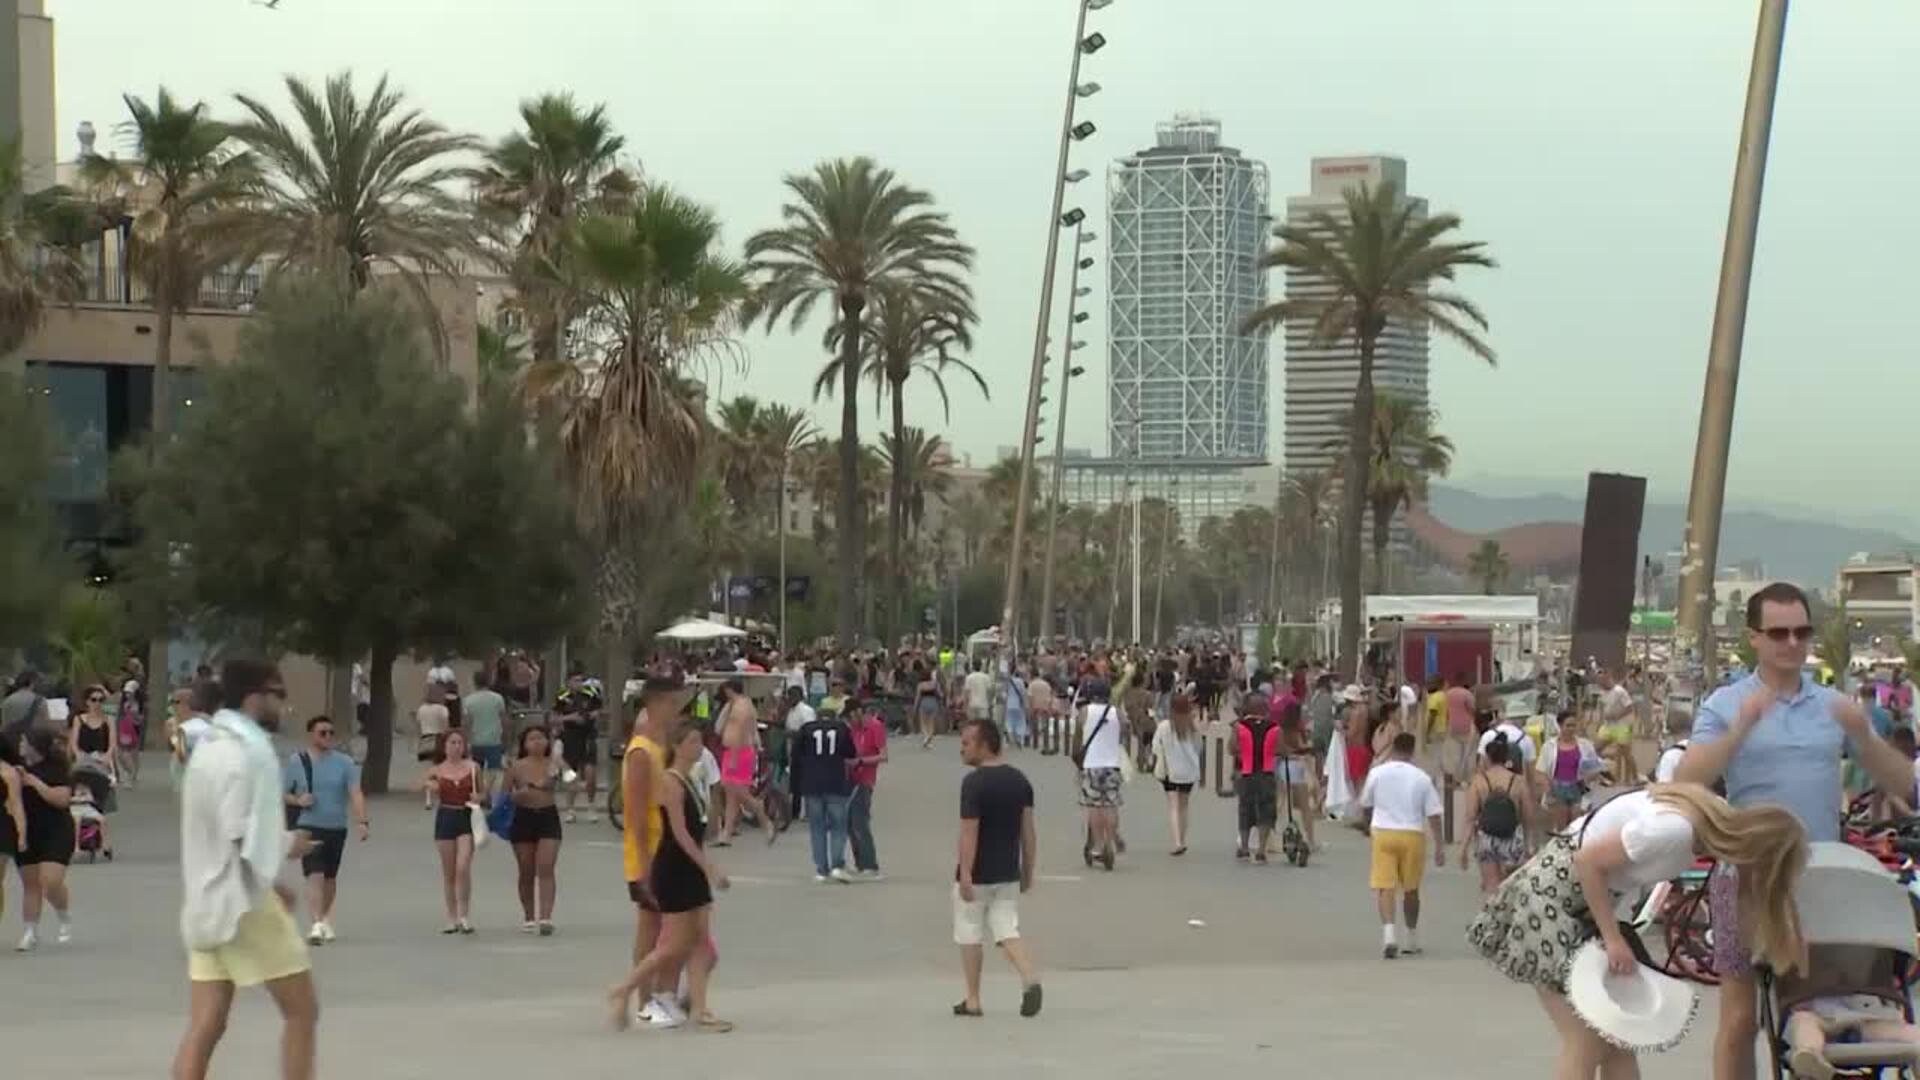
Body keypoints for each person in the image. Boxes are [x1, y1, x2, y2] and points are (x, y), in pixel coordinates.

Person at [1677, 582, 1916, 1080]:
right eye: (1779, 632)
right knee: (1741, 1019)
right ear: (1755, 639)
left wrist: (1864, 738)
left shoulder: (1833, 705)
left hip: (1822, 876)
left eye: (1801, 632)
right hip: (1744, 875)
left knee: (1825, 1007)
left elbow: (1903, 785)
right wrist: (1741, 728)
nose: (1792, 643)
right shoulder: (1725, 703)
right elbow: (1686, 778)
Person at [1469, 783, 1808, 1080]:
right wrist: (1613, 939)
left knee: (1619, 1038)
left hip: (1572, 902)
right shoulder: (1676, 832)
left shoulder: (1713, 815)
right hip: (1547, 902)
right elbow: (1588, 862)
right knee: (1585, 1041)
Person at [172, 658, 320, 1080]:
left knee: (207, 1024)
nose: (284, 707)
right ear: (255, 696)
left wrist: (275, 880)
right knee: (302, 1012)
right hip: (242, 903)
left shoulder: (210, 748)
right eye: (280, 695)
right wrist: (290, 845)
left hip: (204, 901)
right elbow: (239, 831)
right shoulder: (245, 754)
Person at [607, 714, 732, 1033]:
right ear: (676, 746)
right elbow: (679, 834)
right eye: (692, 741)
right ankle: (624, 989)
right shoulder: (670, 782)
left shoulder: (691, 778)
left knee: (702, 941)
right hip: (676, 867)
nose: (698, 746)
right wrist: (709, 867)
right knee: (675, 945)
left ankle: (701, 1009)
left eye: (699, 741)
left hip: (690, 866)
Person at [953, 718, 1042, 1018]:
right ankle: (1029, 976)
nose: (962, 749)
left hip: (978, 873)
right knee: (1007, 929)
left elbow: (969, 832)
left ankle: (973, 998)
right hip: (1007, 872)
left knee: (969, 933)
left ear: (984, 744)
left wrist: (965, 873)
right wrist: (1028, 868)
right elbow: (1028, 831)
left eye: (967, 743)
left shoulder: (973, 784)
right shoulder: (1020, 781)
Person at [621, 674, 691, 1029]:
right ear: (654, 704)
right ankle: (644, 1001)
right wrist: (646, 868)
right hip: (647, 855)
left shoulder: (660, 747)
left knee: (671, 930)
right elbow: (633, 816)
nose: (676, 711)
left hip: (668, 850)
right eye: (671, 704)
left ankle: (665, 994)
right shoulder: (640, 752)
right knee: (651, 930)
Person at [1358, 733, 1443, 959]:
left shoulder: (1377, 772)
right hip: (1412, 833)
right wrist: (1440, 845)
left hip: (1383, 832)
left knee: (1385, 886)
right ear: (1412, 751)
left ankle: (1389, 935)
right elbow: (1434, 814)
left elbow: (1365, 803)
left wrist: (1368, 826)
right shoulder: (1421, 777)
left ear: (1393, 748)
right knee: (1411, 888)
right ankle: (1411, 938)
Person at [283, 716, 367, 945]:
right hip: (308, 825)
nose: (328, 737)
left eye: (331, 733)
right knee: (314, 874)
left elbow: (355, 792)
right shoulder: (296, 761)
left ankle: (324, 918)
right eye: (322, 733)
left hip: (336, 826)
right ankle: (316, 923)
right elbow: (283, 792)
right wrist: (299, 800)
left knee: (330, 877)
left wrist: (362, 821)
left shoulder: (345, 763)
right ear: (311, 735)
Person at [12, 726, 74, 949]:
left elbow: (62, 800)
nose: (20, 745)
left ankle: (63, 914)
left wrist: (34, 782)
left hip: (56, 830)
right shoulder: (16, 769)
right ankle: (30, 933)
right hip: (27, 831)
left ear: (35, 746)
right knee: (31, 884)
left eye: (24, 741)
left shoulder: (56, 768)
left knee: (50, 881)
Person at [792, 693, 857, 883]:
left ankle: (821, 869)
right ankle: (837, 865)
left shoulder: (806, 729)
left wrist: (797, 783)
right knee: (838, 826)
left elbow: (796, 756)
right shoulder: (842, 728)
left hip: (812, 783)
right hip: (835, 782)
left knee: (817, 827)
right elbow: (850, 752)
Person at [1460, 732, 1534, 895]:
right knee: (1511, 887)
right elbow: (1528, 816)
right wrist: (1529, 844)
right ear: (1507, 757)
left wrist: (1464, 848)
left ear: (1487, 757)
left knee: (1491, 885)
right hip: (1512, 838)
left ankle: (1493, 916)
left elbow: (1470, 817)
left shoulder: (1479, 781)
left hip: (1487, 838)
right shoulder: (1518, 781)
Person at [421, 729, 480, 934]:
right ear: (444, 746)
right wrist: (429, 786)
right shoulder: (436, 770)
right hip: (446, 817)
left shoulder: (473, 768)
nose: (456, 747)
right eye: (452, 743)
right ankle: (451, 916)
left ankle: (464, 915)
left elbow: (484, 794)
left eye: (459, 743)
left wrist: (479, 797)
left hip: (466, 816)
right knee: (449, 871)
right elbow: (424, 789)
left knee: (462, 866)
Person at [506, 725, 563, 935]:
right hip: (523, 817)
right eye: (532, 739)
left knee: (546, 866)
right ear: (524, 744)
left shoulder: (553, 763)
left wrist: (560, 772)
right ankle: (529, 916)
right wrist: (518, 794)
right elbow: (504, 795)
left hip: (548, 816)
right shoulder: (516, 766)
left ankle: (546, 917)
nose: (537, 742)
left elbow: (573, 779)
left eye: (541, 738)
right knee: (526, 869)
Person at [715, 680, 774, 846]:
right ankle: (726, 833)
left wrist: (734, 756)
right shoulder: (741, 704)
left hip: (738, 752)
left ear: (729, 690)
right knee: (731, 795)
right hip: (739, 751)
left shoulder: (740, 707)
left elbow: (739, 731)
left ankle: (761, 813)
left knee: (735, 789)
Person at [1073, 679, 1124, 871]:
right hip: (1112, 764)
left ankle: (1098, 844)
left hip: (1092, 763)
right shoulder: (1117, 713)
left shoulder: (1084, 712)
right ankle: (1110, 840)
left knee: (1093, 805)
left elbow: (1078, 737)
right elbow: (1123, 733)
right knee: (1110, 804)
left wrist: (1077, 760)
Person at [67, 684, 118, 860]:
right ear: (87, 702)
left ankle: (104, 839)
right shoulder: (79, 720)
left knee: (103, 789)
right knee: (77, 778)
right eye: (93, 700)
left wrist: (107, 757)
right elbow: (74, 742)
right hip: (83, 759)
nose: (97, 703)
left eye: (100, 700)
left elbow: (112, 744)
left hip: (101, 760)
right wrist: (78, 755)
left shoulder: (108, 720)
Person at [1151, 693, 1203, 856]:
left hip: (1170, 771)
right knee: (1184, 806)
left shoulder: (1164, 726)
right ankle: (1183, 838)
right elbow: (1199, 748)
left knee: (1173, 806)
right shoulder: (1192, 727)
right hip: (1188, 771)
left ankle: (1177, 842)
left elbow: (1155, 747)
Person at [1231, 693, 1279, 863]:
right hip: (1266, 774)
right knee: (1266, 810)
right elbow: (1279, 749)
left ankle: (1244, 849)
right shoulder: (1274, 727)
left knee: (1245, 809)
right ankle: (1261, 851)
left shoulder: (1239, 727)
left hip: (1247, 773)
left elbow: (1232, 748)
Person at [847, 696, 889, 881]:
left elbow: (883, 755)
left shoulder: (874, 727)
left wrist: (861, 761)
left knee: (860, 821)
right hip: (850, 778)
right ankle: (860, 862)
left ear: (859, 712)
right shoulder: (852, 729)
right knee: (849, 823)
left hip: (864, 779)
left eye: (851, 716)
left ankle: (870, 864)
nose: (850, 720)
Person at [553, 672, 603, 824]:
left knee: (590, 774)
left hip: (588, 736)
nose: (579, 683)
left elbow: (600, 710)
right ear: (569, 682)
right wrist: (570, 718)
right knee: (571, 776)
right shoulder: (562, 696)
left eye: (581, 680)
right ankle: (570, 809)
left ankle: (591, 806)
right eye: (575, 680)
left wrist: (594, 715)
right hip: (570, 737)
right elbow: (554, 718)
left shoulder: (591, 694)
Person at [1539, 710, 1600, 831]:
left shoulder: (1586, 745)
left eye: (1574, 725)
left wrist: (1586, 783)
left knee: (1576, 825)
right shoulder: (1549, 746)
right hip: (1558, 789)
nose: (1571, 729)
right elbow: (1542, 771)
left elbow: (1595, 768)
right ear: (1560, 726)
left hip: (1578, 788)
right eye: (1568, 725)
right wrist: (1548, 791)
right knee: (1561, 826)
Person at [461, 669, 509, 792]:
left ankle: (480, 792)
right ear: (489, 681)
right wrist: (506, 738)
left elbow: (467, 723)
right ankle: (489, 792)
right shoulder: (498, 698)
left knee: (478, 769)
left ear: (474, 682)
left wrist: (465, 741)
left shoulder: (468, 700)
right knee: (494, 770)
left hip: (476, 740)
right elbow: (504, 720)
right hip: (494, 740)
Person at [413, 684, 450, 810]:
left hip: (425, 739)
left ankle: (428, 799)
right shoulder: (442, 709)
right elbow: (446, 727)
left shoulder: (421, 709)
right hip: (439, 739)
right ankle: (442, 797)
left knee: (428, 771)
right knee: (441, 770)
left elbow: (418, 727)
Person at [963, 660, 994, 728]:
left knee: (972, 724)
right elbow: (989, 692)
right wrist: (990, 704)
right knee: (982, 726)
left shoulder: (969, 677)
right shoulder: (986, 677)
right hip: (983, 705)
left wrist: (965, 706)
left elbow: (966, 693)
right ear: (981, 666)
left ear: (973, 667)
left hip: (972, 705)